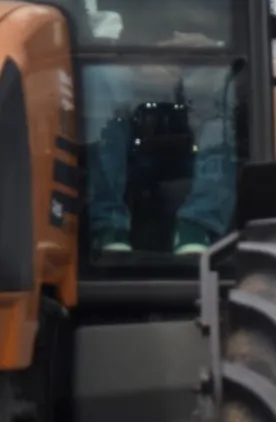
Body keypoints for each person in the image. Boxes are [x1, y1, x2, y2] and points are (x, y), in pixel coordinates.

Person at [82, 2, 236, 256]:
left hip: (207, 59)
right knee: (97, 77)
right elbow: (93, 20)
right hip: (125, 57)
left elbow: (238, 25)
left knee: (229, 84)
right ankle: (108, 225)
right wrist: (142, 53)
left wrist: (206, 46)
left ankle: (197, 224)